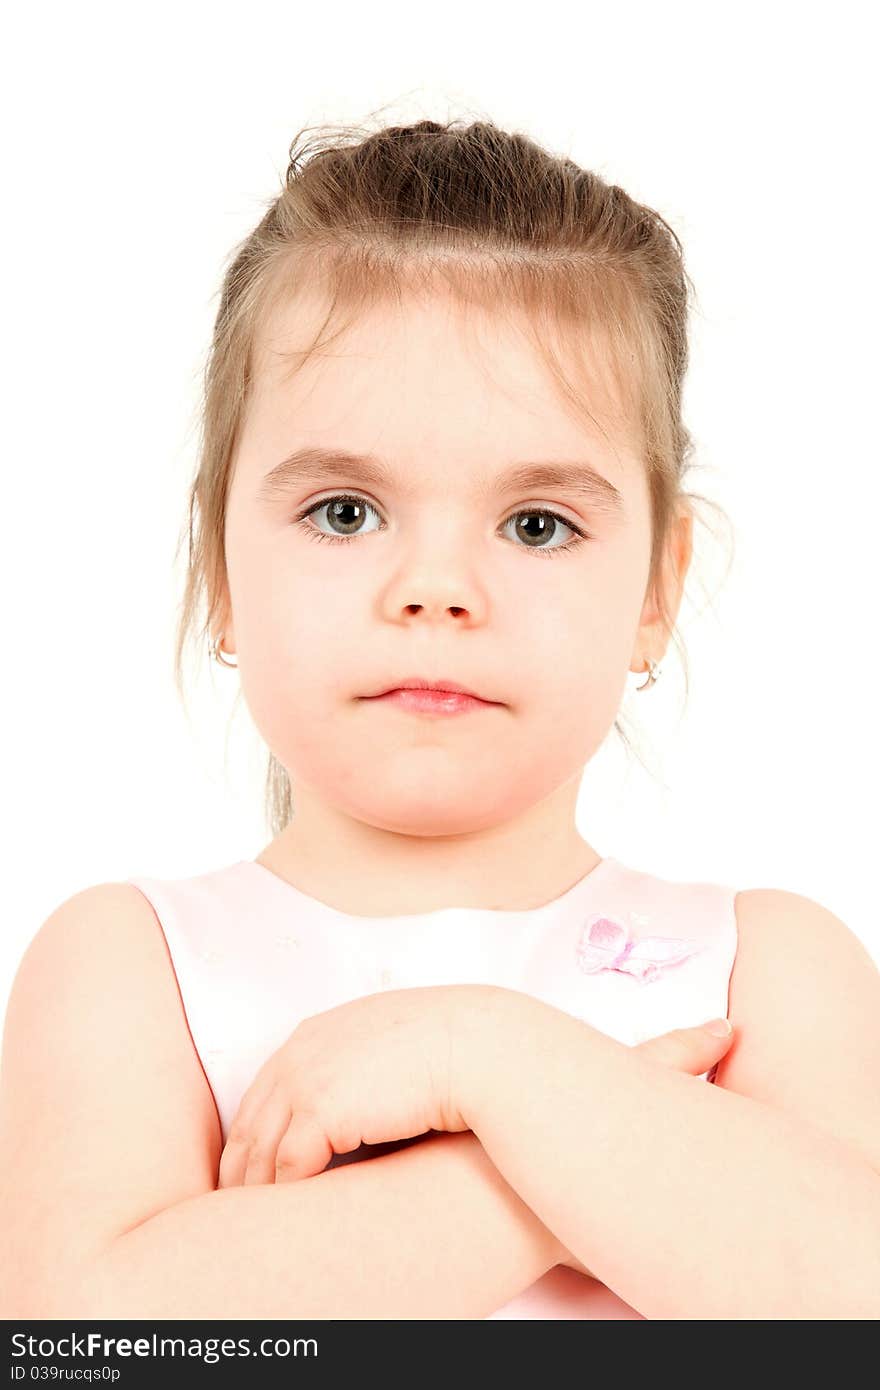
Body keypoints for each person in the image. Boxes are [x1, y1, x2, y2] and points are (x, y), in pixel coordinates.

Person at [2, 115, 879, 1322]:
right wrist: (521, 1170)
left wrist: (484, 1054)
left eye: (535, 525)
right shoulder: (132, 963)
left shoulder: (768, 971)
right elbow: (89, 1340)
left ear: (656, 593)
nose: (435, 588)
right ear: (216, 565)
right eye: (346, 511)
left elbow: (844, 1295)